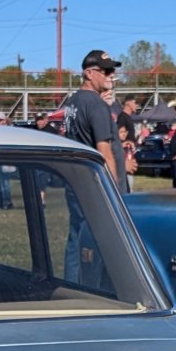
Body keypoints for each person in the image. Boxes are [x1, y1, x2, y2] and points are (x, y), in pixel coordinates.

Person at [60, 49, 121, 282]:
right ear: (88, 73)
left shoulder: (72, 102)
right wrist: (113, 188)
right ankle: (92, 288)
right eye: (105, 71)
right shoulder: (97, 105)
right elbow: (104, 150)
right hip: (94, 184)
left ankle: (72, 285)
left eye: (113, 71)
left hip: (74, 180)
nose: (111, 75)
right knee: (99, 240)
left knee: (76, 236)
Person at [0, 112, 14, 208]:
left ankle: (7, 202)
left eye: (1, 120)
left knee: (5, 183)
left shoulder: (10, 131)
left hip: (6, 160)